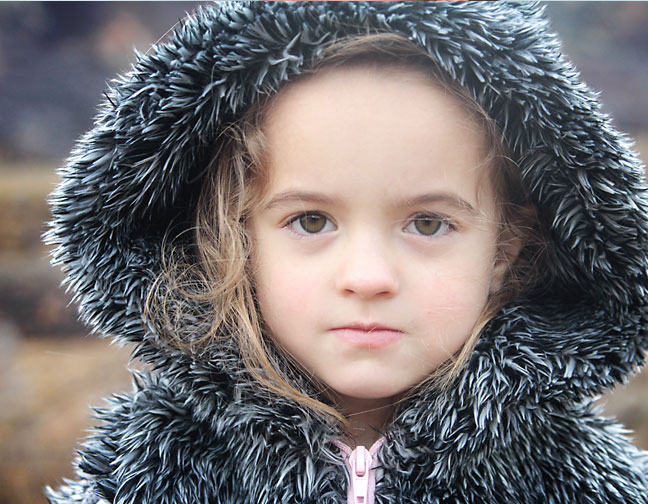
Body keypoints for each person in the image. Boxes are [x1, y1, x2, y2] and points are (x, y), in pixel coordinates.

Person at [46, 2, 648, 503]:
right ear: (232, 241)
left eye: (429, 223)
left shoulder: (582, 483)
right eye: (311, 220)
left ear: (503, 250)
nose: (368, 277)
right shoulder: (143, 480)